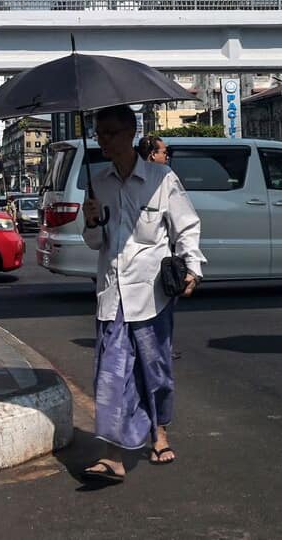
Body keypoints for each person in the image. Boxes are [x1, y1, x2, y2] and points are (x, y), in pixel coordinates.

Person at [80, 105, 204, 483]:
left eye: (111, 132)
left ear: (131, 133)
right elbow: (93, 243)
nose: (103, 139)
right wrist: (90, 220)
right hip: (111, 294)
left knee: (156, 370)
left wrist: (193, 268)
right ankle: (113, 454)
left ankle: (159, 429)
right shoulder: (97, 183)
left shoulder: (162, 178)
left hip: (151, 294)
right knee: (112, 374)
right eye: (99, 133)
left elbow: (186, 227)